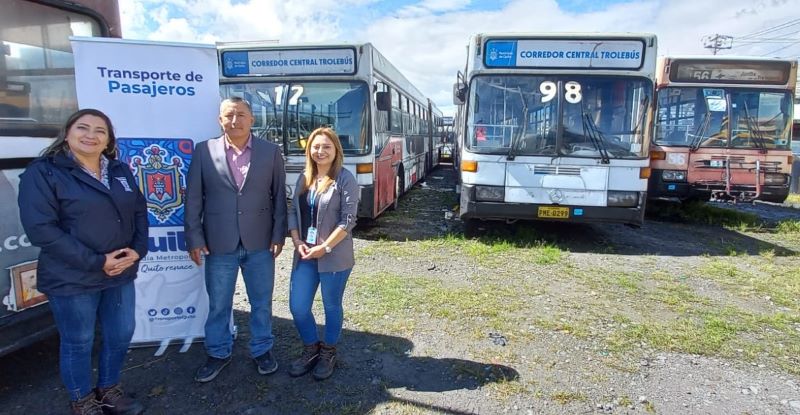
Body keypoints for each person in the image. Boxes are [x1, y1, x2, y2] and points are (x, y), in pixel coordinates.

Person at [18, 108, 148, 415]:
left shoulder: (119, 170)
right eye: (83, 128)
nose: (91, 135)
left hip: (119, 272)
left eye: (100, 131)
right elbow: (41, 229)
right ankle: (82, 400)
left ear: (109, 140)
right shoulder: (44, 172)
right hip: (71, 277)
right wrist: (96, 261)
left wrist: (137, 250)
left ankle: (109, 390)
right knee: (78, 341)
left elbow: (139, 211)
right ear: (67, 133)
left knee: (120, 333)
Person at [184, 97, 287, 383]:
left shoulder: (270, 152)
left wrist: (278, 233)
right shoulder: (204, 151)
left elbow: (279, 196)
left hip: (260, 242)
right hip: (218, 242)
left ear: (252, 119)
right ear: (220, 120)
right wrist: (194, 237)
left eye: (241, 114)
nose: (235, 120)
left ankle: (262, 349)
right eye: (229, 115)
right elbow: (193, 198)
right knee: (219, 304)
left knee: (261, 302)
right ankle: (218, 352)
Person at [287, 127, 359, 380]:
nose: (320, 151)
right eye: (315, 146)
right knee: (298, 307)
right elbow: (293, 211)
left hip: (334, 256)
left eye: (326, 146)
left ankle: (328, 351)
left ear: (336, 150)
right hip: (306, 254)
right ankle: (311, 348)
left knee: (331, 306)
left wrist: (325, 247)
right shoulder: (304, 177)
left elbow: (348, 220)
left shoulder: (345, 179)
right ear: (309, 150)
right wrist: (297, 241)